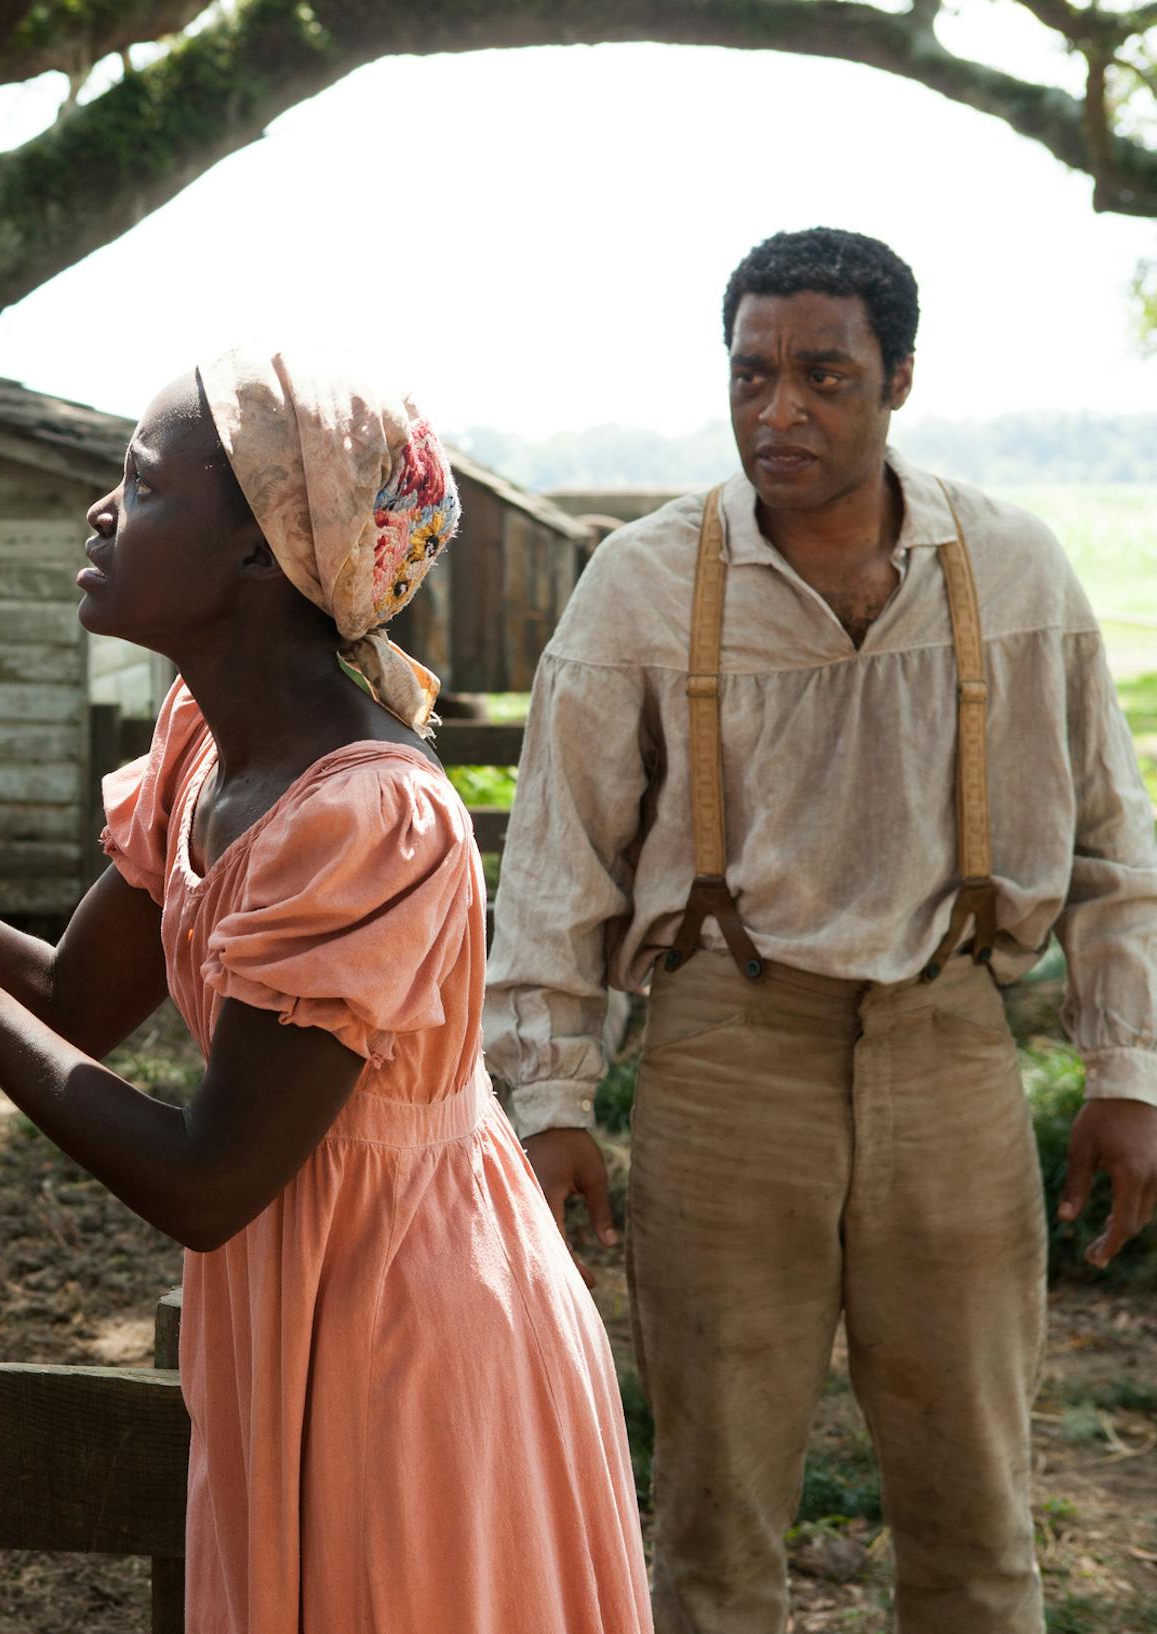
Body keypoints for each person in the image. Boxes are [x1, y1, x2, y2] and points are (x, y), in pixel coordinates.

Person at [0, 351, 653, 1633]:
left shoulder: (370, 814)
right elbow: (74, 1002)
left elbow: (206, 1179)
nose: (101, 512)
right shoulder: (208, 744)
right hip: (305, 1296)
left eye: (139, 485)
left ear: (266, 551)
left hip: (410, 1329)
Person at [486, 227, 1157, 1634]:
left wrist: (1129, 1068)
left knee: (978, 1508)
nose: (776, 410)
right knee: (716, 1519)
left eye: (822, 376)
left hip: (953, 1049)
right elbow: (558, 868)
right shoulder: (645, 586)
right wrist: (550, 1098)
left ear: (900, 378)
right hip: (728, 1060)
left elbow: (1113, 844)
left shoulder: (1016, 573)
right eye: (750, 374)